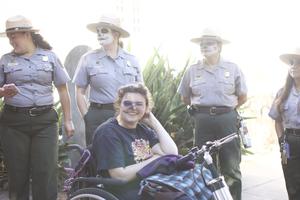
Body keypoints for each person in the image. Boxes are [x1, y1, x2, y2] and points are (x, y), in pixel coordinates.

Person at [0, 15, 74, 200]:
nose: (11, 40)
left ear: (27, 34)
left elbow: (63, 90)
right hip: (14, 123)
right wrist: (3, 92)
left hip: (45, 122)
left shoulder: (50, 57)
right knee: (18, 174)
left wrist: (68, 120)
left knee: (46, 171)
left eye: (14, 36)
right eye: (9, 36)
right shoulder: (5, 60)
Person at [177, 28, 247, 200]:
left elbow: (243, 96)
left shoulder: (233, 68)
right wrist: (204, 112)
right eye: (202, 44)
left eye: (209, 43)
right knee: (202, 166)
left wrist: (226, 110)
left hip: (227, 119)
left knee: (231, 168)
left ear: (219, 46)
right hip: (202, 120)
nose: (204, 46)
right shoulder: (193, 70)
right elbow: (184, 97)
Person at [92, 83, 178, 200]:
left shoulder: (143, 130)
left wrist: (153, 121)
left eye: (139, 104)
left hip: (150, 184)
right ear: (119, 105)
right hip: (125, 191)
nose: (133, 107)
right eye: (127, 103)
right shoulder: (108, 132)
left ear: (146, 108)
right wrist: (156, 158)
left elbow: (171, 153)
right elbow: (119, 176)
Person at [73, 15, 143, 145]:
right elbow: (79, 91)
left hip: (127, 114)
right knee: (98, 158)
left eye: (104, 31)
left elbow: (141, 93)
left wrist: (138, 115)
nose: (99, 34)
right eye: (98, 31)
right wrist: (87, 117)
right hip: (98, 115)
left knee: (129, 157)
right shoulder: (88, 58)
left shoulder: (132, 60)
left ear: (116, 34)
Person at [269, 48, 300, 200]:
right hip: (289, 143)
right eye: (292, 63)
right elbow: (277, 121)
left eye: (298, 62)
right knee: (291, 183)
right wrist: (282, 141)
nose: (294, 66)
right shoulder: (283, 93)